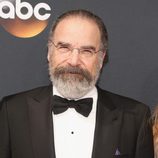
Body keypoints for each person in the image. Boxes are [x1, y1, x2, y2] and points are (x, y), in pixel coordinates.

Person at [0, 9, 154, 158]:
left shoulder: (135, 117)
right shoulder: (12, 110)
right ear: (49, 51)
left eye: (87, 51)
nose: (74, 61)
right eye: (64, 47)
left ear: (101, 58)